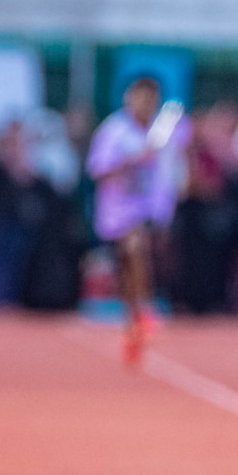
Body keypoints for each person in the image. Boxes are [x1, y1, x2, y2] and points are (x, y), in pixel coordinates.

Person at [86, 77, 179, 365]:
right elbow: (97, 170)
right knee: (126, 264)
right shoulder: (114, 131)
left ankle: (143, 312)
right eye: (139, 97)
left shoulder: (161, 133)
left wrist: (165, 209)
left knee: (136, 249)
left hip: (145, 209)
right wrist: (132, 160)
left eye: (150, 99)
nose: (144, 104)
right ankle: (134, 316)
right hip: (116, 210)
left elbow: (166, 174)